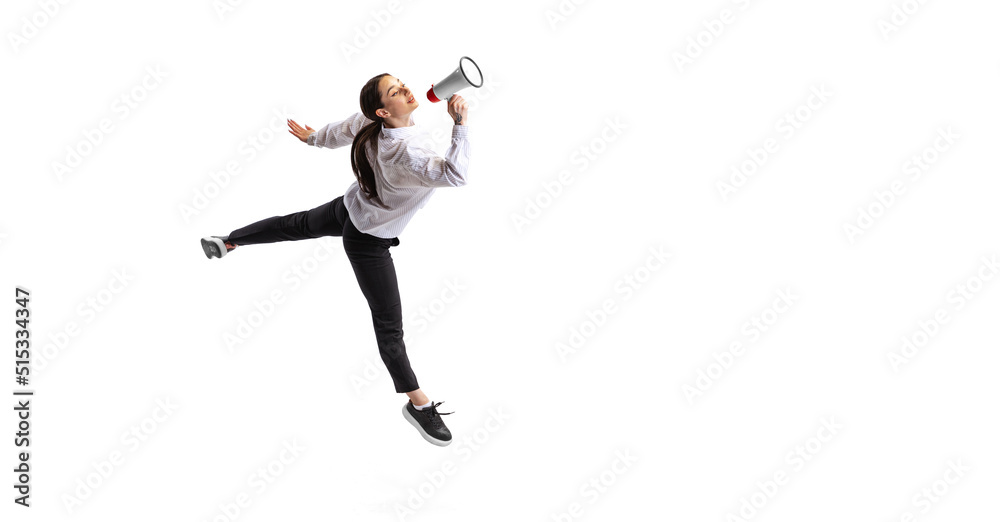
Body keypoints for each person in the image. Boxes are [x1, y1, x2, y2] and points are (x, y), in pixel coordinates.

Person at [199, 73, 471, 447]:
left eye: (402, 83)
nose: (407, 89)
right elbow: (455, 175)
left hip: (350, 208)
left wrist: (314, 138)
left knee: (293, 224)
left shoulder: (373, 122)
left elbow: (344, 128)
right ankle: (417, 404)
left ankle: (229, 242)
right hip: (367, 240)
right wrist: (460, 125)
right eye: (396, 91)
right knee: (390, 328)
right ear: (382, 109)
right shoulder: (408, 151)